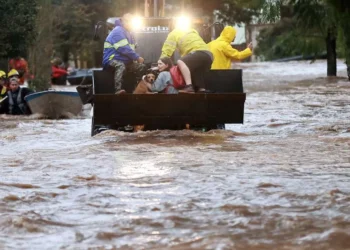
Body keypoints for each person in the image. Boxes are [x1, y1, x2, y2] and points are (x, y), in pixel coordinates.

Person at [160, 23, 213, 93]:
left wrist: (161, 63)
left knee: (181, 62)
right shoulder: (192, 31)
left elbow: (167, 50)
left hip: (198, 52)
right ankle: (201, 89)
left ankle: (189, 86)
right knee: (196, 70)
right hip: (209, 55)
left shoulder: (173, 33)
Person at [102, 13, 146, 94]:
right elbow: (124, 49)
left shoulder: (129, 33)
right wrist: (137, 57)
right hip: (111, 59)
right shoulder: (117, 31)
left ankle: (137, 89)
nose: (131, 25)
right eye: (129, 22)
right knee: (120, 65)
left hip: (126, 61)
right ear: (124, 22)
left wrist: (136, 60)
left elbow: (131, 49)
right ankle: (118, 90)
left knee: (141, 67)